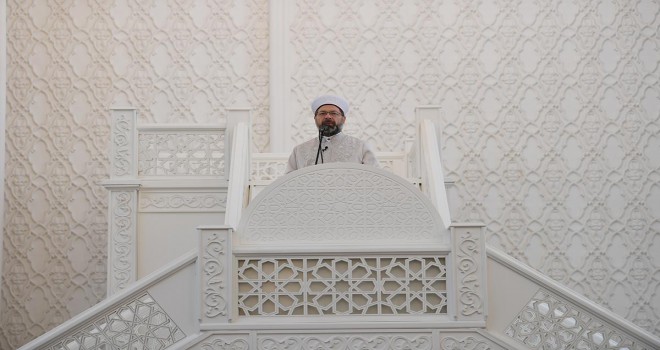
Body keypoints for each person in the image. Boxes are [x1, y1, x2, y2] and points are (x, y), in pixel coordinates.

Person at [285, 94, 379, 173]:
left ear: (343, 119)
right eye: (322, 113)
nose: (328, 116)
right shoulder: (299, 151)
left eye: (333, 113)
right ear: (315, 118)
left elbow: (375, 178)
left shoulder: (361, 147)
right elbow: (288, 182)